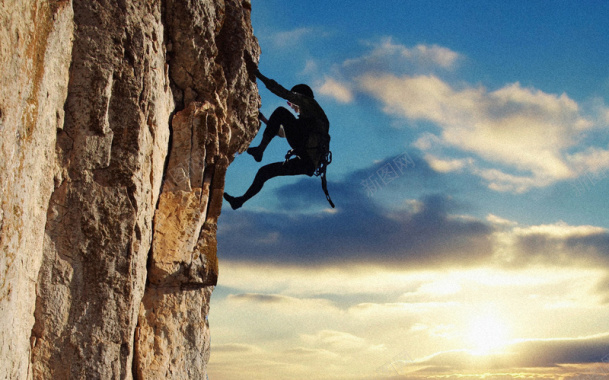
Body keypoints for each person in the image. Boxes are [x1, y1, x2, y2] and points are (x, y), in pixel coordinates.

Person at [223, 70, 331, 210]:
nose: (290, 105)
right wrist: (264, 119)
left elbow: (282, 92)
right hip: (307, 163)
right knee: (264, 172)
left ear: (298, 98)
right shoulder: (313, 118)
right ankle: (239, 201)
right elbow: (282, 133)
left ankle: (260, 150)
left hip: (305, 155)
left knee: (281, 112)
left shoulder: (308, 103)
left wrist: (258, 74)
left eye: (291, 102)